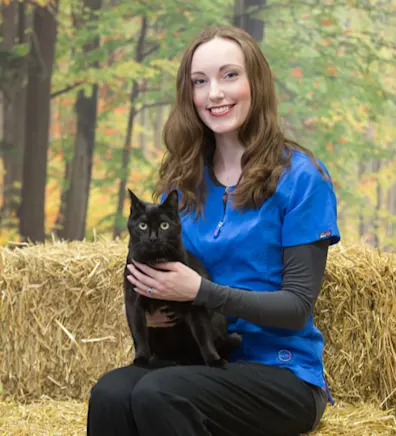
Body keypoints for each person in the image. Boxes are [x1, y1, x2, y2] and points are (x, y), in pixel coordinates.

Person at [87, 25, 340, 436]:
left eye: (229, 75)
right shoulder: (180, 181)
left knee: (159, 393)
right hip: (197, 360)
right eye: (199, 82)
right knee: (110, 393)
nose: (214, 93)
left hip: (281, 372)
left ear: (255, 82)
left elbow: (295, 309)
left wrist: (200, 293)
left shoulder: (302, 178)